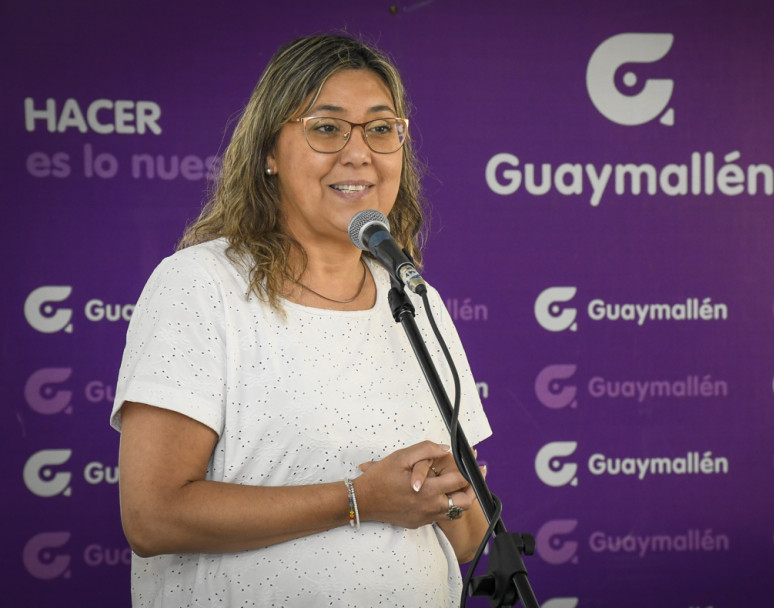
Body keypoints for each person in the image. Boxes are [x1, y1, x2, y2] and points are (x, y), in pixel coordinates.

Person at [111, 34, 492, 607]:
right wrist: (360, 498)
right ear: (270, 151)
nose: (359, 152)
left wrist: (445, 496)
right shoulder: (202, 285)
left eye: (382, 128)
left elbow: (469, 539)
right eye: (327, 127)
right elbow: (153, 516)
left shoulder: (416, 299)